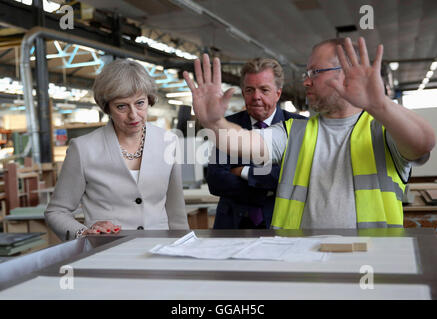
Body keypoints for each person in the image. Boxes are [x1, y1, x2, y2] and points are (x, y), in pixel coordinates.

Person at [183, 37, 435, 229]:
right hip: (303, 263)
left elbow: (423, 143)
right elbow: (244, 144)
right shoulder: (296, 130)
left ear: (345, 74)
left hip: (372, 263)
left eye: (314, 72)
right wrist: (214, 122)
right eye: (306, 74)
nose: (306, 82)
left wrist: (379, 104)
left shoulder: (381, 129)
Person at [45, 59, 189, 240]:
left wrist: (183, 248)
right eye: (121, 106)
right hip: (107, 251)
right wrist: (83, 233)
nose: (133, 115)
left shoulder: (169, 142)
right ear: (107, 107)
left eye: (140, 103)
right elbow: (57, 211)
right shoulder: (83, 149)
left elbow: (176, 212)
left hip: (159, 251)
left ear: (149, 100)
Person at [206, 58, 306, 229]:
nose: (256, 97)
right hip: (232, 225)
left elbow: (296, 176)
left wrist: (243, 171)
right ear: (243, 93)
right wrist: (268, 190)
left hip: (281, 223)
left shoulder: (299, 127)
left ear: (278, 93)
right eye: (249, 90)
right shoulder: (226, 125)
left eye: (264, 90)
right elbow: (216, 180)